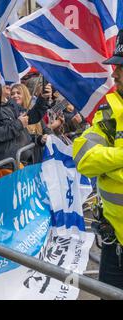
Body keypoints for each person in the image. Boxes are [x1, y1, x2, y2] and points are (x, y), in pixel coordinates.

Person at [73, 29, 123, 290]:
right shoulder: (108, 114)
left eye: (121, 68)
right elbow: (84, 158)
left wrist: (109, 165)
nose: (114, 73)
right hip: (115, 242)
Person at [0, 81, 52, 173]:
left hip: (25, 164)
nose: (8, 84)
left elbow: (31, 117)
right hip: (7, 168)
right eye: (3, 81)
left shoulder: (11, 105)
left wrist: (42, 98)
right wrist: (19, 123)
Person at [10, 83, 52, 163]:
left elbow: (46, 129)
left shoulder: (33, 112)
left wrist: (47, 136)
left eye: (18, 93)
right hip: (26, 159)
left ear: (25, 95)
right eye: (12, 94)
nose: (15, 96)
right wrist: (39, 138)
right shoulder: (11, 114)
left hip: (39, 155)